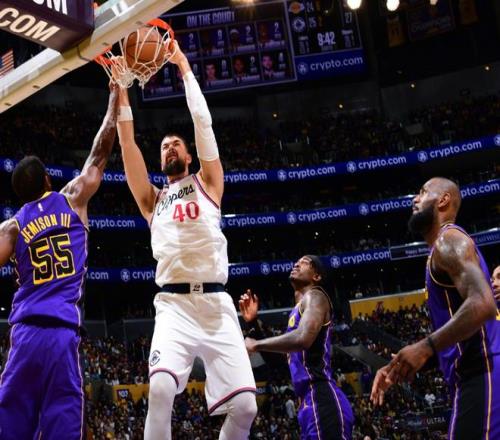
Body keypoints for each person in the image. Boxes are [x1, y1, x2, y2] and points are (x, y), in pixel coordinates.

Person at [114, 41, 257, 440]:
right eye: (164, 146)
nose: (169, 147)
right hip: (174, 306)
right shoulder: (152, 200)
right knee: (160, 389)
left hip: (216, 305)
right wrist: (121, 88)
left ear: (189, 155)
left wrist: (183, 66)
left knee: (246, 407)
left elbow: (203, 124)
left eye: (176, 143)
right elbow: (127, 145)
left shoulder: (208, 182)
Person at [0, 85, 119, 439]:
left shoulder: (12, 227)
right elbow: (99, 155)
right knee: (62, 424)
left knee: (9, 426)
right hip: (61, 335)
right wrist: (115, 100)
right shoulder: (72, 199)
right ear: (48, 180)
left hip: (24, 334)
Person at [371, 177, 500, 440]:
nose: (415, 199)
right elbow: (460, 333)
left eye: (422, 192)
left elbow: (483, 303)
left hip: (484, 371)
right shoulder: (441, 249)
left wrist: (425, 347)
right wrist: (401, 365)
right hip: (473, 373)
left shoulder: (448, 240)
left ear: (443, 200)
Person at [240, 255, 354, 440]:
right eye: (297, 262)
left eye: (305, 262)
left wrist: (256, 344)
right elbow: (281, 364)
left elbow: (303, 339)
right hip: (307, 402)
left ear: (316, 276)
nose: (297, 264)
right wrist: (254, 324)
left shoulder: (316, 296)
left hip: (321, 396)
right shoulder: (297, 312)